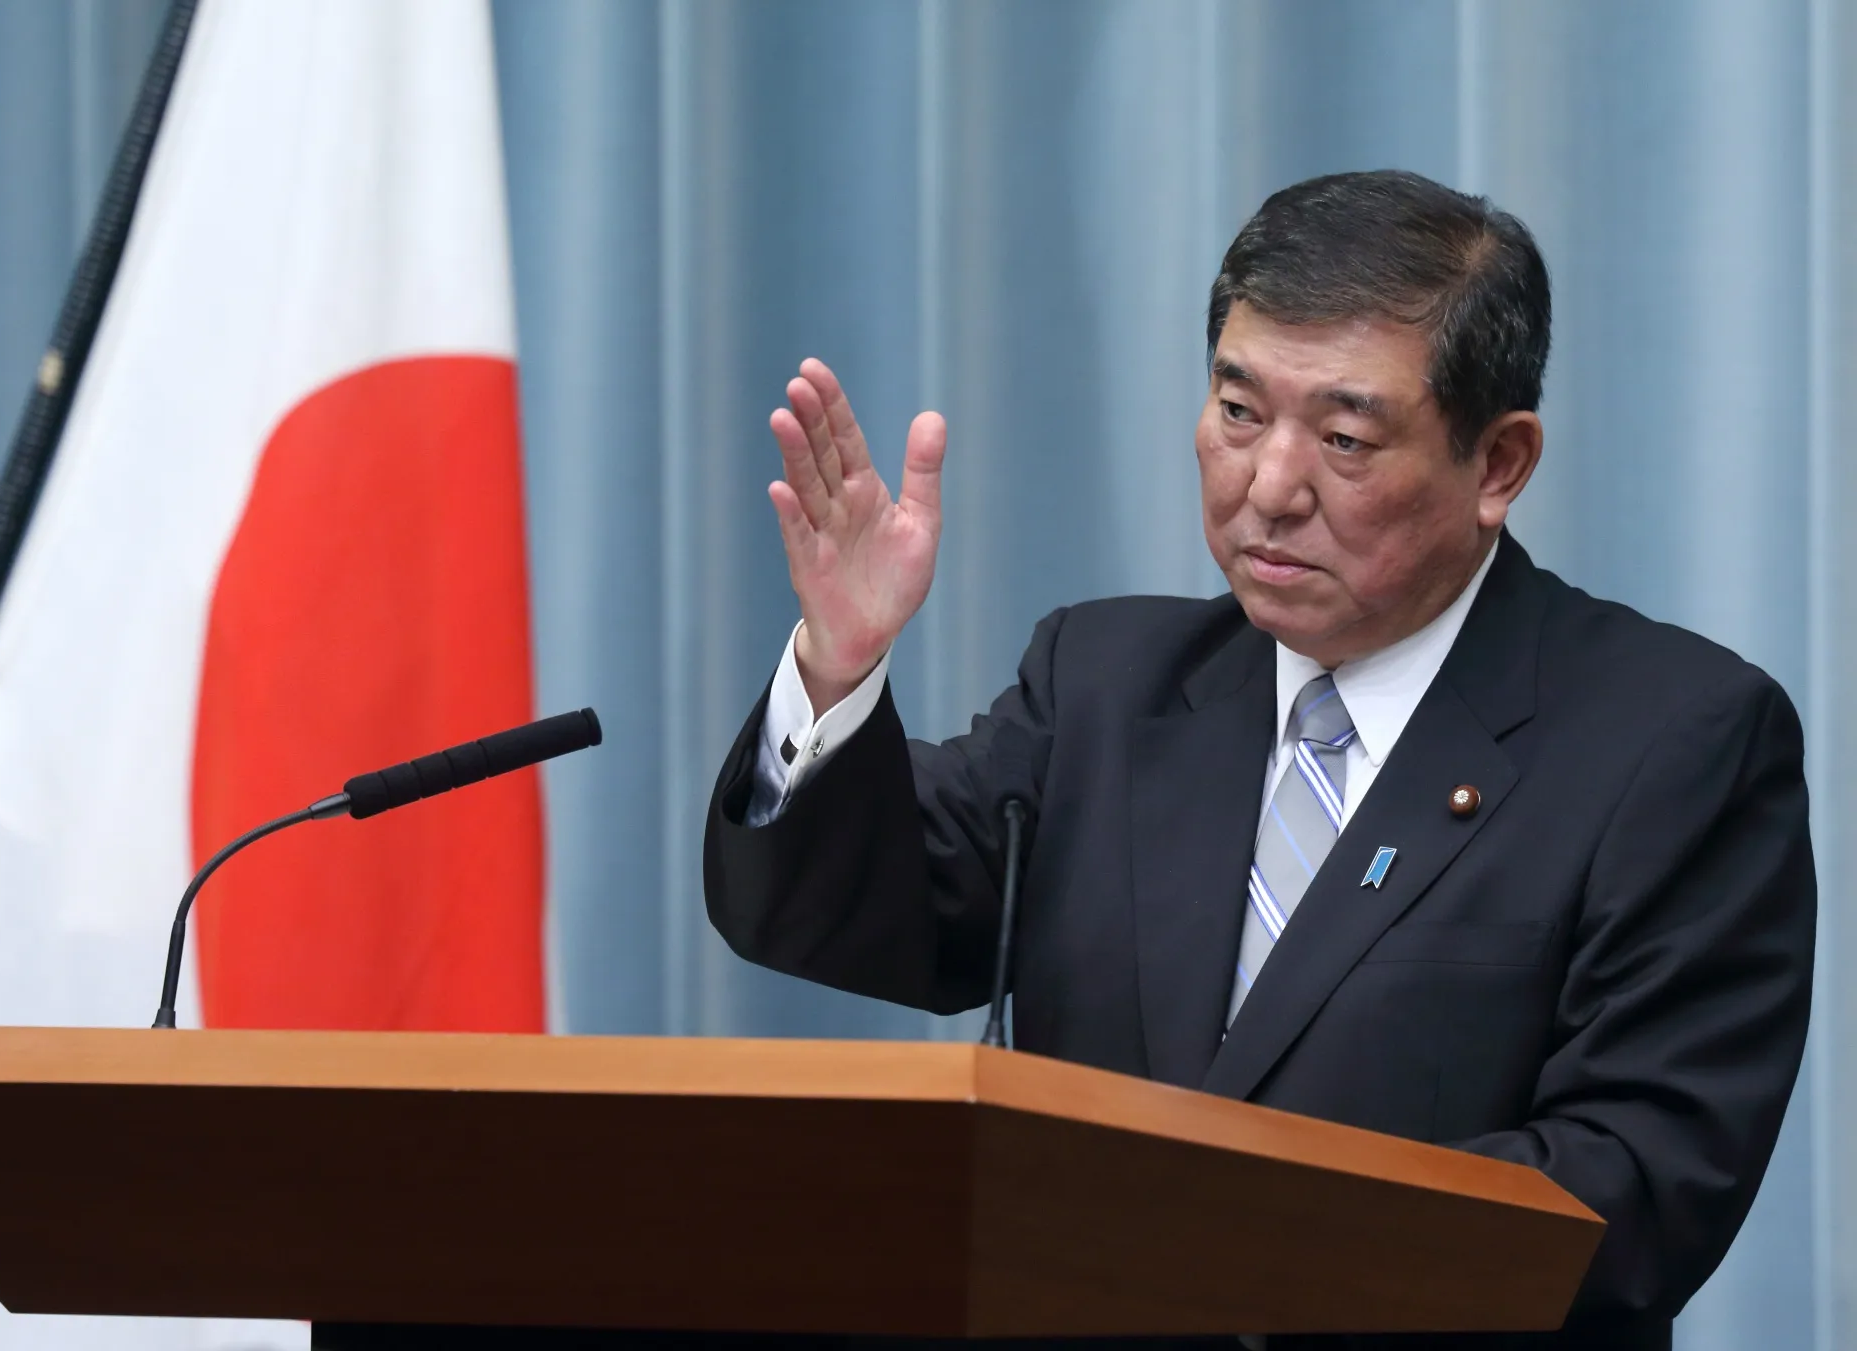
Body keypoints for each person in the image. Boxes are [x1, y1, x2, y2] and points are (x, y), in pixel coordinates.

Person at [702, 170, 1813, 1350]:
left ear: (1496, 463)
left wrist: (1214, 1245)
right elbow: (843, 912)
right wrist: (838, 663)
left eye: (1342, 438)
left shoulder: (1670, 739)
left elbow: (1635, 1186)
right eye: (1237, 413)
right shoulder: (1104, 683)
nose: (1269, 488)